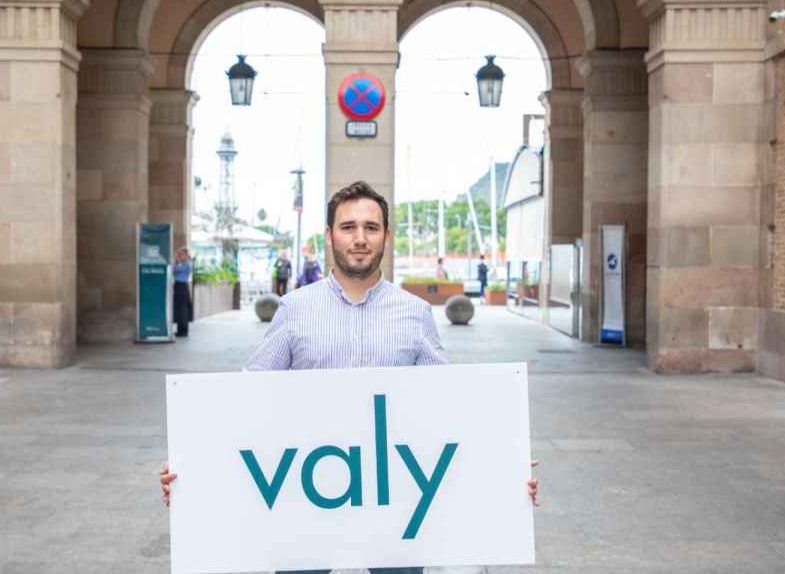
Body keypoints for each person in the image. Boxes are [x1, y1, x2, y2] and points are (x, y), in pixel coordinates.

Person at [160, 181, 538, 572]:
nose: (360, 238)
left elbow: (446, 413)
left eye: (371, 228)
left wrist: (501, 469)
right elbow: (246, 399)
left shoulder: (416, 313)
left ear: (386, 237)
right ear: (329, 236)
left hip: (396, 501)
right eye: (348, 227)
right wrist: (195, 468)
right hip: (303, 497)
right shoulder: (294, 311)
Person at [172, 247, 192, 337]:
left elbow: (177, 270)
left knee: (183, 309)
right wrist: (177, 261)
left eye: (181, 255)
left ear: (186, 255)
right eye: (179, 254)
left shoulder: (187, 264)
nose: (180, 256)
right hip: (178, 286)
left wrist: (177, 261)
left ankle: (184, 330)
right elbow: (173, 270)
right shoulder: (180, 264)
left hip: (182, 287)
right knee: (179, 309)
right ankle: (180, 330)